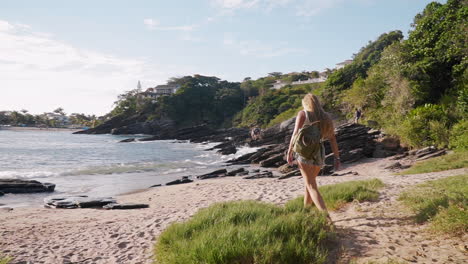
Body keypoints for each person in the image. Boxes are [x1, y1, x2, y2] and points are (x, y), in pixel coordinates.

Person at [287, 94, 340, 220]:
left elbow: (295, 134)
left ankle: (327, 218)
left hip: (304, 153)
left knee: (311, 186)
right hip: (319, 154)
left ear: (305, 103)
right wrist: (337, 158)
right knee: (309, 184)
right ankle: (305, 213)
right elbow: (332, 139)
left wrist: (289, 152)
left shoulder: (303, 114)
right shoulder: (326, 117)